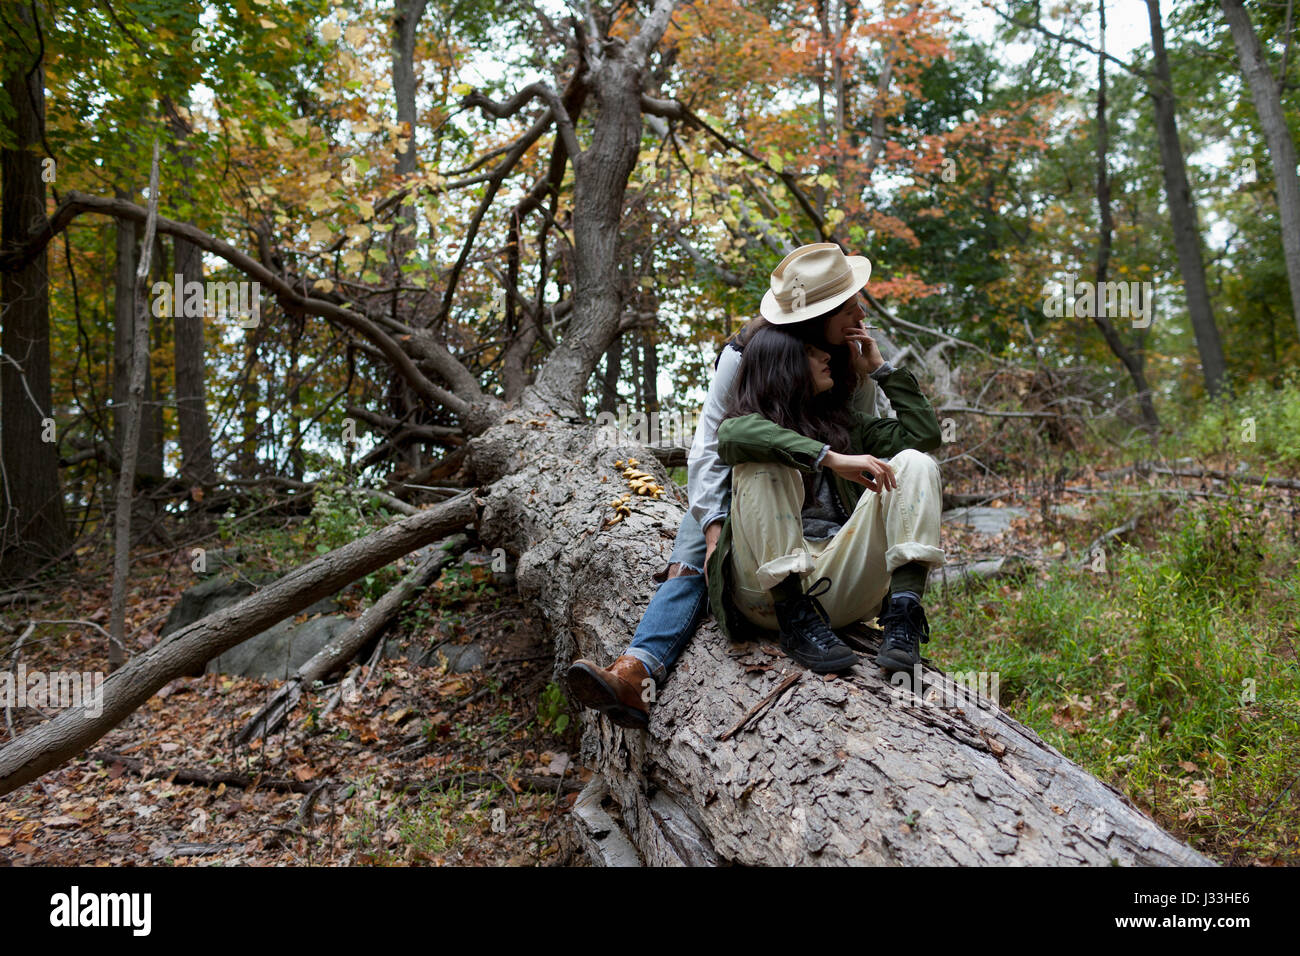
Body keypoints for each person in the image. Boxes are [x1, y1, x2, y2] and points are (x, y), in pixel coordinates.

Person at [567, 242, 896, 727]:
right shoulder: (746, 353)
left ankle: (888, 621)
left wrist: (876, 372)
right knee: (696, 546)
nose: (861, 313)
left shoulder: (853, 353)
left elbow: (881, 439)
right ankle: (638, 671)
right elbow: (713, 444)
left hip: (833, 508)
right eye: (848, 305)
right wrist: (715, 525)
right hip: (761, 496)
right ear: (819, 313)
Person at [708, 315, 947, 674]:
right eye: (810, 351)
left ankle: (903, 616)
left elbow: (925, 435)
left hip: (838, 580)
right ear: (782, 365)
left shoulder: (846, 424)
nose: (825, 357)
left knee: (915, 462)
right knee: (765, 464)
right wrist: (829, 458)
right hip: (766, 596)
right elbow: (732, 435)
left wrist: (881, 370)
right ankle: (795, 617)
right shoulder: (747, 425)